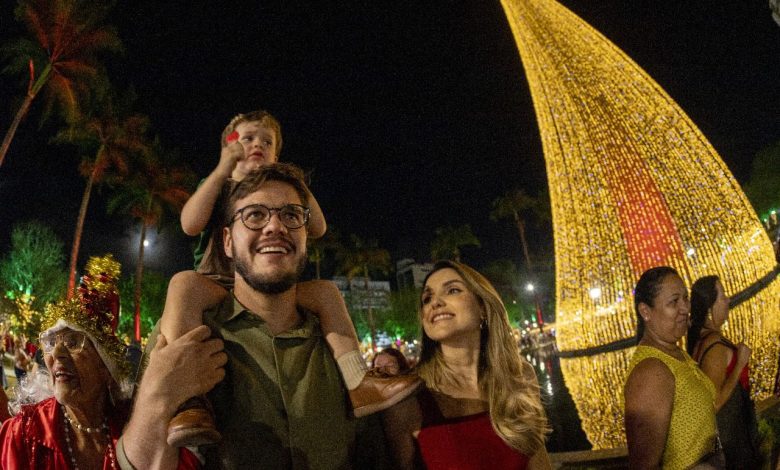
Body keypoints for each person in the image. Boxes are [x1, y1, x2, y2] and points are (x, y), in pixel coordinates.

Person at [164, 110, 418, 446]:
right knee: (182, 285)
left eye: (267, 142)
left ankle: (359, 383)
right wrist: (224, 167)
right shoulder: (219, 185)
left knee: (326, 292)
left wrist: (290, 180)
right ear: (228, 145)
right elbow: (190, 224)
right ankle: (189, 400)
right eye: (247, 138)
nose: (257, 145)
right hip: (216, 281)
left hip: (270, 283)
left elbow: (319, 227)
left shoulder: (283, 188)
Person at [118, 163, 394, 469]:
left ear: (305, 238)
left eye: (290, 215)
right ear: (227, 242)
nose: (275, 226)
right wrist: (155, 397)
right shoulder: (186, 333)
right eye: (254, 215)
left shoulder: (338, 343)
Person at [0, 256, 198, 468]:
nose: (56, 353)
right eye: (50, 342)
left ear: (106, 367)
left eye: (73, 341)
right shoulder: (23, 434)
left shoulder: (134, 425)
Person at [383, 260, 551, 469]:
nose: (435, 303)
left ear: (482, 307)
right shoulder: (407, 398)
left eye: (452, 290)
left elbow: (538, 460)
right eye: (427, 298)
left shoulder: (520, 375)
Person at [624, 266, 723, 469]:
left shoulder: (675, 353)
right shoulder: (651, 372)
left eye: (685, 299)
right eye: (674, 302)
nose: (686, 309)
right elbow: (644, 465)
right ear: (645, 312)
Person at [687, 275, 762, 469]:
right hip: (732, 442)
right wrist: (739, 365)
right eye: (722, 296)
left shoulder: (703, 339)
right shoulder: (714, 347)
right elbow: (713, 404)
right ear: (710, 307)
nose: (728, 300)